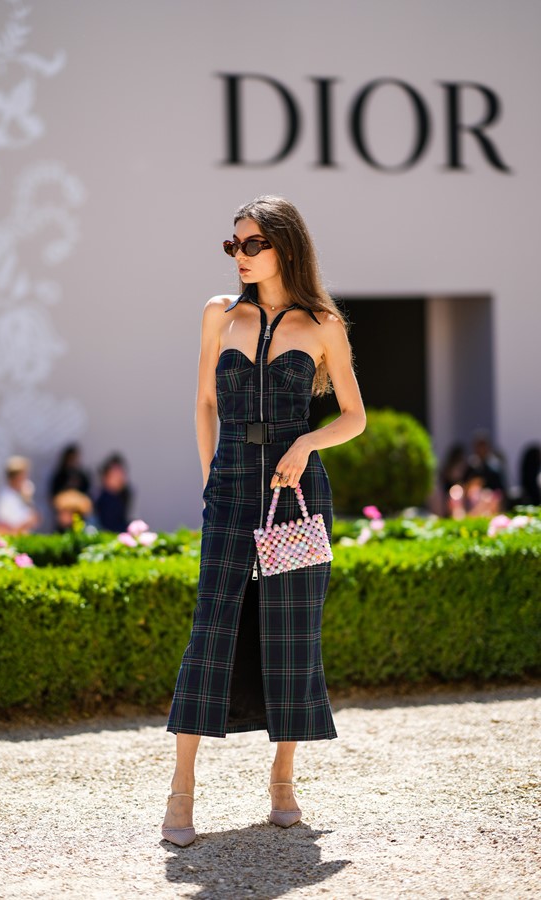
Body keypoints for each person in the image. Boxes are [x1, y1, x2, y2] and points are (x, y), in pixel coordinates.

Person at [162, 196, 366, 847]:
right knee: (210, 630)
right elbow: (201, 404)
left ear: (284, 246)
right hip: (230, 486)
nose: (242, 255)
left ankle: (282, 782)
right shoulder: (218, 313)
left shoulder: (322, 324)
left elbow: (354, 416)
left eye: (253, 244)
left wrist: (306, 444)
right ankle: (181, 791)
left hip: (296, 488)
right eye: (234, 245)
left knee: (290, 632)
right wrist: (210, 481)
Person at [0, 456, 40, 535]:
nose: (25, 478)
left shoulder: (25, 491)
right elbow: (3, 526)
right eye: (22, 475)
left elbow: (34, 518)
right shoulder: (6, 497)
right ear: (15, 477)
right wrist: (25, 524)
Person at [94, 453, 133, 532]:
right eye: (115, 475)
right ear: (106, 478)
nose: (120, 478)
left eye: (121, 474)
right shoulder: (101, 498)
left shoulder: (125, 494)